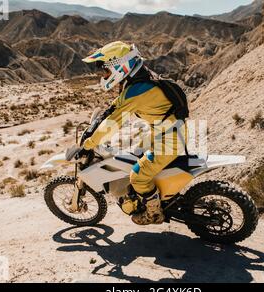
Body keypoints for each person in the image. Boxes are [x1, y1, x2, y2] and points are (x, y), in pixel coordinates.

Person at [70, 41, 187, 225]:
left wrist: (88, 145)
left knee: (138, 177)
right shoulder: (138, 79)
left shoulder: (138, 90)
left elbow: (113, 123)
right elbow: (115, 106)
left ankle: (154, 214)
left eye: (106, 71)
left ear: (119, 65)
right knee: (129, 156)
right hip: (162, 132)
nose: (104, 76)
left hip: (169, 140)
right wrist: (93, 127)